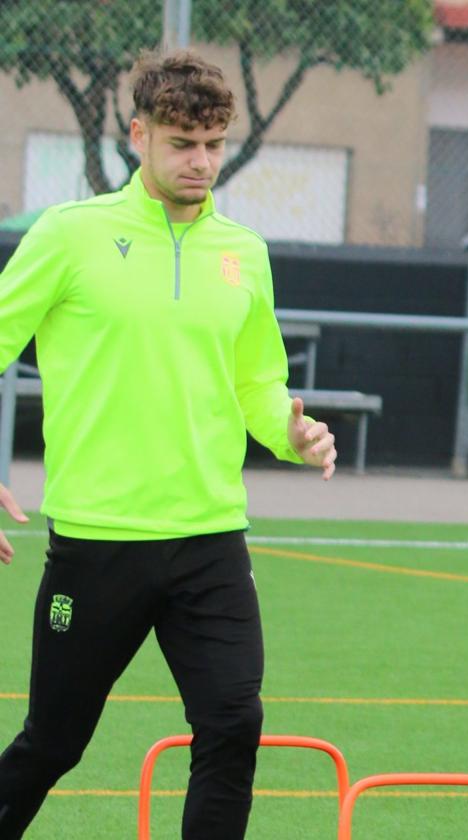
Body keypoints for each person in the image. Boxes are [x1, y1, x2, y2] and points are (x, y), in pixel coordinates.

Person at [0, 50, 337, 839]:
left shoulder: (244, 252)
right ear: (138, 134)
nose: (203, 162)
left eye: (215, 143)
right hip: (98, 542)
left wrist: (291, 434)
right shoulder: (70, 236)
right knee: (54, 743)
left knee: (232, 725)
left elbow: (256, 383)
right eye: (184, 143)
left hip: (210, 541)